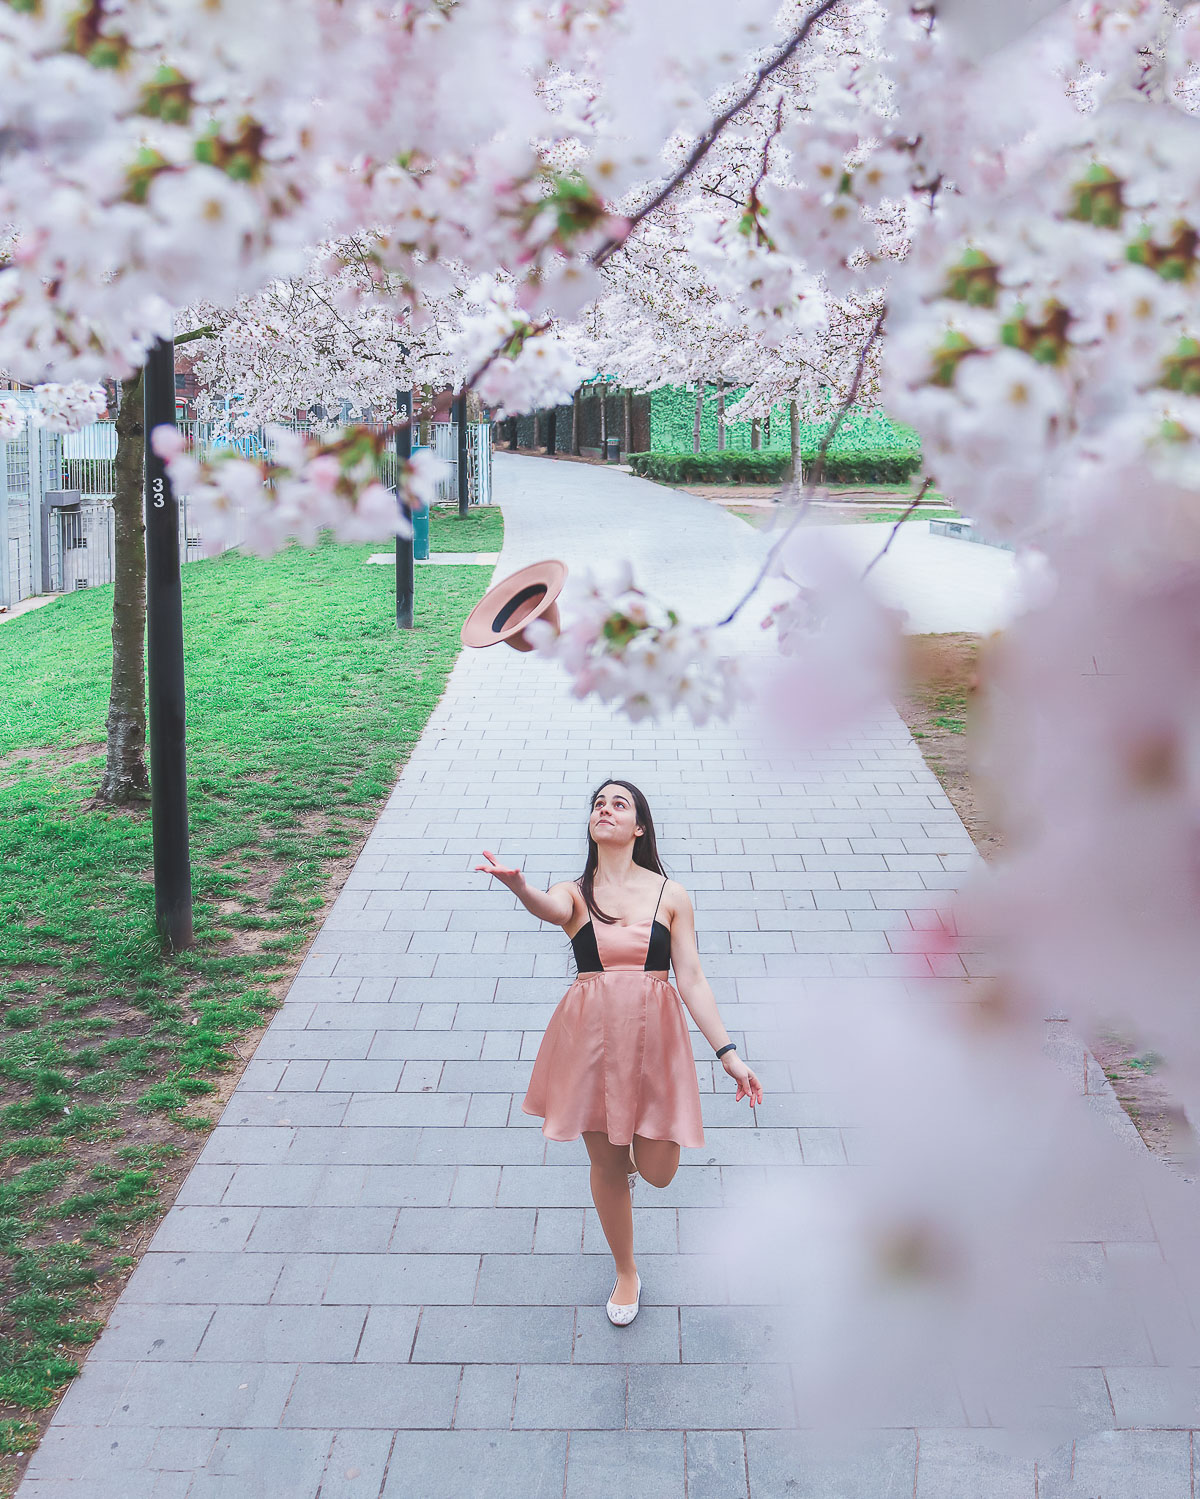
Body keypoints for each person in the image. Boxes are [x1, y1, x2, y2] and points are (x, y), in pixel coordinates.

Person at [475, 778, 763, 1327]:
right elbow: (548, 906)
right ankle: (626, 1270)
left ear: (639, 827)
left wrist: (728, 1053)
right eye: (598, 804)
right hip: (589, 1042)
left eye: (619, 804)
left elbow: (693, 979)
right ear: (592, 824)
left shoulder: (670, 894)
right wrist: (519, 887)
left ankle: (625, 1158)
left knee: (658, 1170)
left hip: (656, 1041)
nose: (605, 809)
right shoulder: (575, 891)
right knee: (606, 1164)